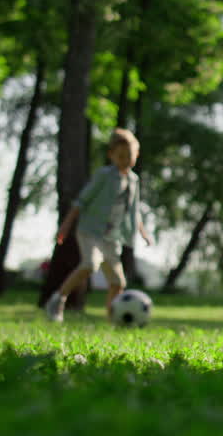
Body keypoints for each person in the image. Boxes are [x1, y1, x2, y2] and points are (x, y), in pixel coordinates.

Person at [43, 128, 153, 322]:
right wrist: (65, 226)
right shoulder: (104, 175)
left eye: (129, 156)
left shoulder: (134, 181)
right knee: (90, 264)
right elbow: (81, 201)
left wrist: (143, 232)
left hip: (112, 237)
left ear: (136, 155)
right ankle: (58, 299)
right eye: (120, 156)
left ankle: (114, 318)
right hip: (90, 231)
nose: (125, 160)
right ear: (111, 155)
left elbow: (134, 211)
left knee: (118, 282)